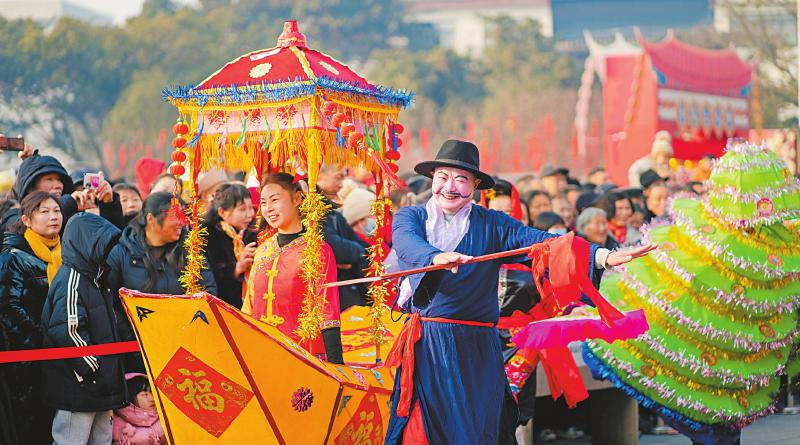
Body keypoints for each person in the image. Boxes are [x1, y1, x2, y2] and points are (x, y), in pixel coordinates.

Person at [384, 140, 654, 444]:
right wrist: (435, 257)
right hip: (431, 346)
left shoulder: (492, 224)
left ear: (474, 186)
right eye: (443, 177)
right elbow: (406, 243)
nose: (450, 187)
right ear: (433, 179)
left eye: (460, 179)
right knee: (426, 431)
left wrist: (600, 256)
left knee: (479, 428)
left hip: (479, 348)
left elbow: (541, 242)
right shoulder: (411, 218)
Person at [40, 212, 126, 445]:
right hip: (79, 386)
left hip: (101, 387)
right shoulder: (71, 279)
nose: (107, 252)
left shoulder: (98, 280)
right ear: (86, 244)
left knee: (102, 441)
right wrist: (93, 370)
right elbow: (67, 331)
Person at [106, 192, 217, 371]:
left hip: (187, 348)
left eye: (183, 216)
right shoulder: (123, 253)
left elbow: (208, 290)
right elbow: (110, 302)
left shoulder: (190, 250)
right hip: (138, 352)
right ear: (151, 219)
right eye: (175, 216)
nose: (182, 222)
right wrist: (132, 338)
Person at [242, 173, 343, 364]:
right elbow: (250, 306)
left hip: (303, 358)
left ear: (297, 199)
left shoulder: (317, 250)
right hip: (262, 355)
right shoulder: (263, 250)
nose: (268, 208)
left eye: (275, 200)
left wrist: (336, 364)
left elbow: (327, 309)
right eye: (263, 202)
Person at [0, 191, 63, 443]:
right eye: (44, 211)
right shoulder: (12, 258)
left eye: (56, 210)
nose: (53, 217)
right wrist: (41, 336)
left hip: (60, 354)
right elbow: (9, 308)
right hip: (27, 357)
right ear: (26, 220)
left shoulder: (66, 253)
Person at [204, 183, 257, 307]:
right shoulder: (208, 236)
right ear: (222, 212)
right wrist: (237, 268)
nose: (250, 214)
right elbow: (210, 278)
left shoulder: (254, 232)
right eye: (242, 209)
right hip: (224, 304)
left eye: (251, 208)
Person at [112, 373, 165, 445]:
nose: (152, 399)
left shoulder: (164, 418)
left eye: (153, 393)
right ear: (130, 397)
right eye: (145, 395)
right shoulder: (116, 426)